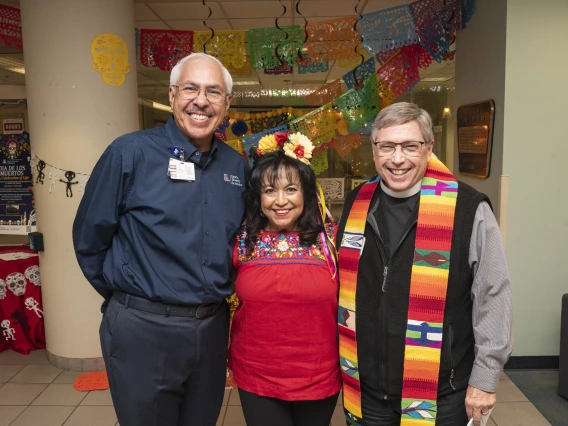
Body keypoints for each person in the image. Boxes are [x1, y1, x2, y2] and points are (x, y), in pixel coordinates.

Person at [72, 53, 248, 426]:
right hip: (144, 329)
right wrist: (130, 300)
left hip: (212, 328)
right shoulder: (129, 153)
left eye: (214, 91)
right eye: (191, 88)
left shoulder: (236, 167)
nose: (201, 100)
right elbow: (90, 237)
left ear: (227, 104)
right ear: (171, 96)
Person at [336, 102, 512, 426]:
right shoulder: (356, 203)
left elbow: (494, 295)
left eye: (410, 146)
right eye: (387, 146)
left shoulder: (468, 209)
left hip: (441, 394)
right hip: (367, 391)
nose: (397, 158)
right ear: (374, 149)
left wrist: (486, 377)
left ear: (429, 148)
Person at [229, 132, 341, 426]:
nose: (280, 201)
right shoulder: (241, 241)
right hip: (257, 375)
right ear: (258, 197)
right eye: (269, 191)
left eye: (291, 189)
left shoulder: (332, 241)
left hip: (319, 374)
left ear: (306, 192)